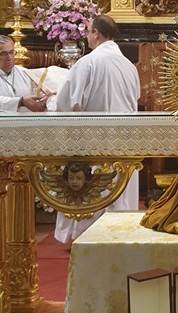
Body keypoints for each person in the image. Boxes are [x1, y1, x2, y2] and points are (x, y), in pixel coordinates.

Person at [54, 15, 141, 244]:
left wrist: (48, 102)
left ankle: (89, 237)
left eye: (88, 31)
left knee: (95, 190)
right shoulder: (129, 66)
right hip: (125, 141)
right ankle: (121, 234)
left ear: (96, 34)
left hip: (94, 140)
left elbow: (68, 103)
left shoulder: (88, 62)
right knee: (120, 191)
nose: (86, 36)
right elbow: (135, 99)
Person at [0, 35, 51, 113]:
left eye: (11, 52)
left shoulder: (25, 72)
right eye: (3, 53)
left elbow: (39, 93)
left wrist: (45, 100)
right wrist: (20, 102)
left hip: (26, 120)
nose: (10, 58)